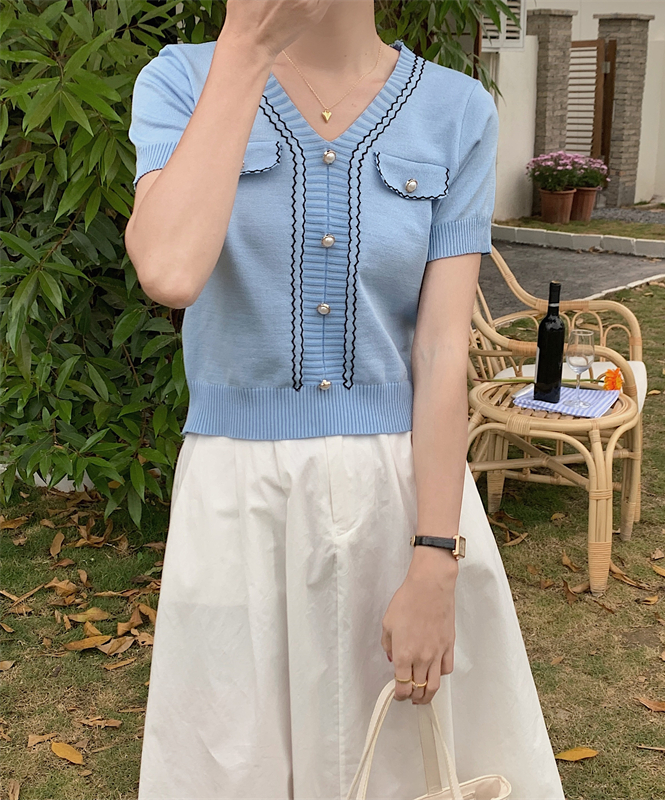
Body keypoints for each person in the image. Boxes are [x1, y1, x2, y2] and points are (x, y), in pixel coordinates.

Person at [125, 0, 565, 797]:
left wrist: (436, 560)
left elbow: (440, 353)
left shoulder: (456, 109)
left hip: (400, 498)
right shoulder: (182, 81)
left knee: (398, 768)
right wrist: (245, 48)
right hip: (235, 504)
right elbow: (169, 270)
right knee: (235, 767)